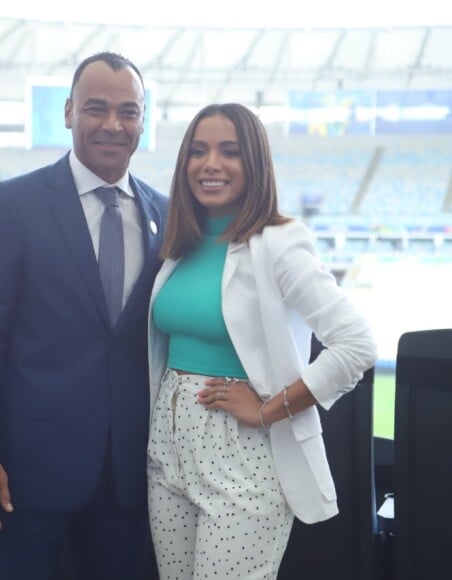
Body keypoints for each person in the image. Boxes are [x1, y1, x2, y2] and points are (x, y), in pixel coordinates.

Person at [0, 51, 168, 580]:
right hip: (24, 475)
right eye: (97, 108)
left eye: (129, 112)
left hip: (128, 480)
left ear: (143, 121)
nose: (113, 125)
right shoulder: (12, 204)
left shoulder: (166, 213)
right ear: (69, 112)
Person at [146, 103, 377, 579]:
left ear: (254, 163)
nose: (210, 164)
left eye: (229, 152)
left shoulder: (279, 242)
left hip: (243, 455)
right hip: (167, 451)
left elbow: (356, 344)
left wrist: (269, 409)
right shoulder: (179, 242)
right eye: (198, 151)